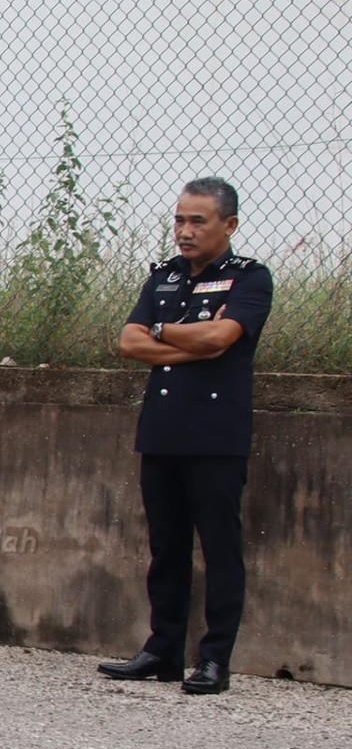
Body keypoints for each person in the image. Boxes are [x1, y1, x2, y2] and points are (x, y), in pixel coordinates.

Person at [98, 178, 272, 696]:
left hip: (216, 435)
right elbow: (128, 342)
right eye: (179, 220)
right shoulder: (164, 278)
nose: (185, 231)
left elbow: (223, 337)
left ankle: (214, 659)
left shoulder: (250, 279)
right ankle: (162, 650)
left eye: (198, 221)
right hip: (163, 430)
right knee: (165, 547)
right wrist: (183, 339)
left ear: (229, 225)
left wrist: (162, 331)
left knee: (219, 549)